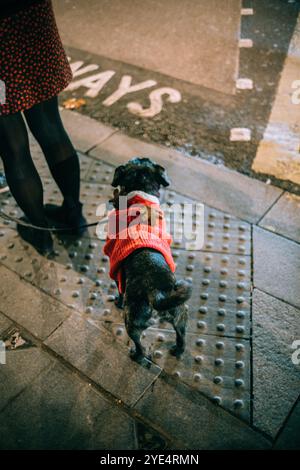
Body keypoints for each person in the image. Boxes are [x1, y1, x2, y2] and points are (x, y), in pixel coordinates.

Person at [0, 0, 86, 256]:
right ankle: (73, 214)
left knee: (13, 148)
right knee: (51, 128)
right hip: (31, 18)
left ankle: (41, 232)